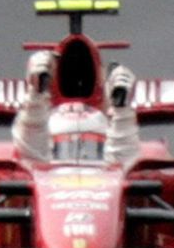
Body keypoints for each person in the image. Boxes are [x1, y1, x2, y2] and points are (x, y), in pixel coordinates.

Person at [11, 50, 140, 165]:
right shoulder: (43, 130)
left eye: (91, 147)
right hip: (49, 181)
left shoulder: (104, 127)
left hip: (102, 181)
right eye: (64, 148)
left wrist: (122, 110)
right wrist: (36, 96)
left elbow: (121, 166)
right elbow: (32, 157)